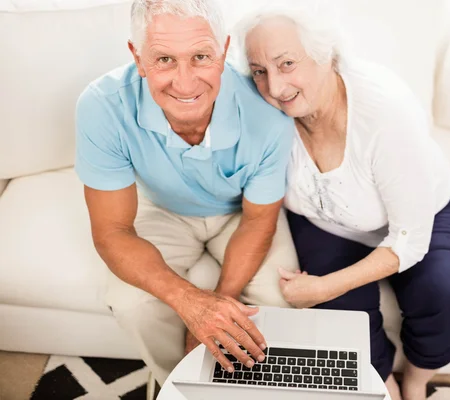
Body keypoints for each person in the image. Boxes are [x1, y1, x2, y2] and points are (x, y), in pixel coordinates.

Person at [234, 7, 450, 400]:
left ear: (326, 54)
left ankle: (416, 383)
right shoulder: (259, 103)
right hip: (323, 222)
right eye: (259, 70)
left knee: (447, 296)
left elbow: (408, 241)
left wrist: (322, 288)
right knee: (340, 326)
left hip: (418, 218)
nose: (275, 87)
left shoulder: (385, 113)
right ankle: (385, 387)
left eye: (287, 64)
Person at [74, 0, 300, 385]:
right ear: (138, 57)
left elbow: (259, 218)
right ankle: (180, 385)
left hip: (240, 215)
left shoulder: (267, 110)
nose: (185, 82)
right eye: (164, 59)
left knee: (281, 299)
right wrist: (190, 303)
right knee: (134, 306)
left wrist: (218, 306)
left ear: (224, 50)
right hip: (162, 209)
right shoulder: (101, 105)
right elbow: (112, 231)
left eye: (200, 56)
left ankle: (255, 390)